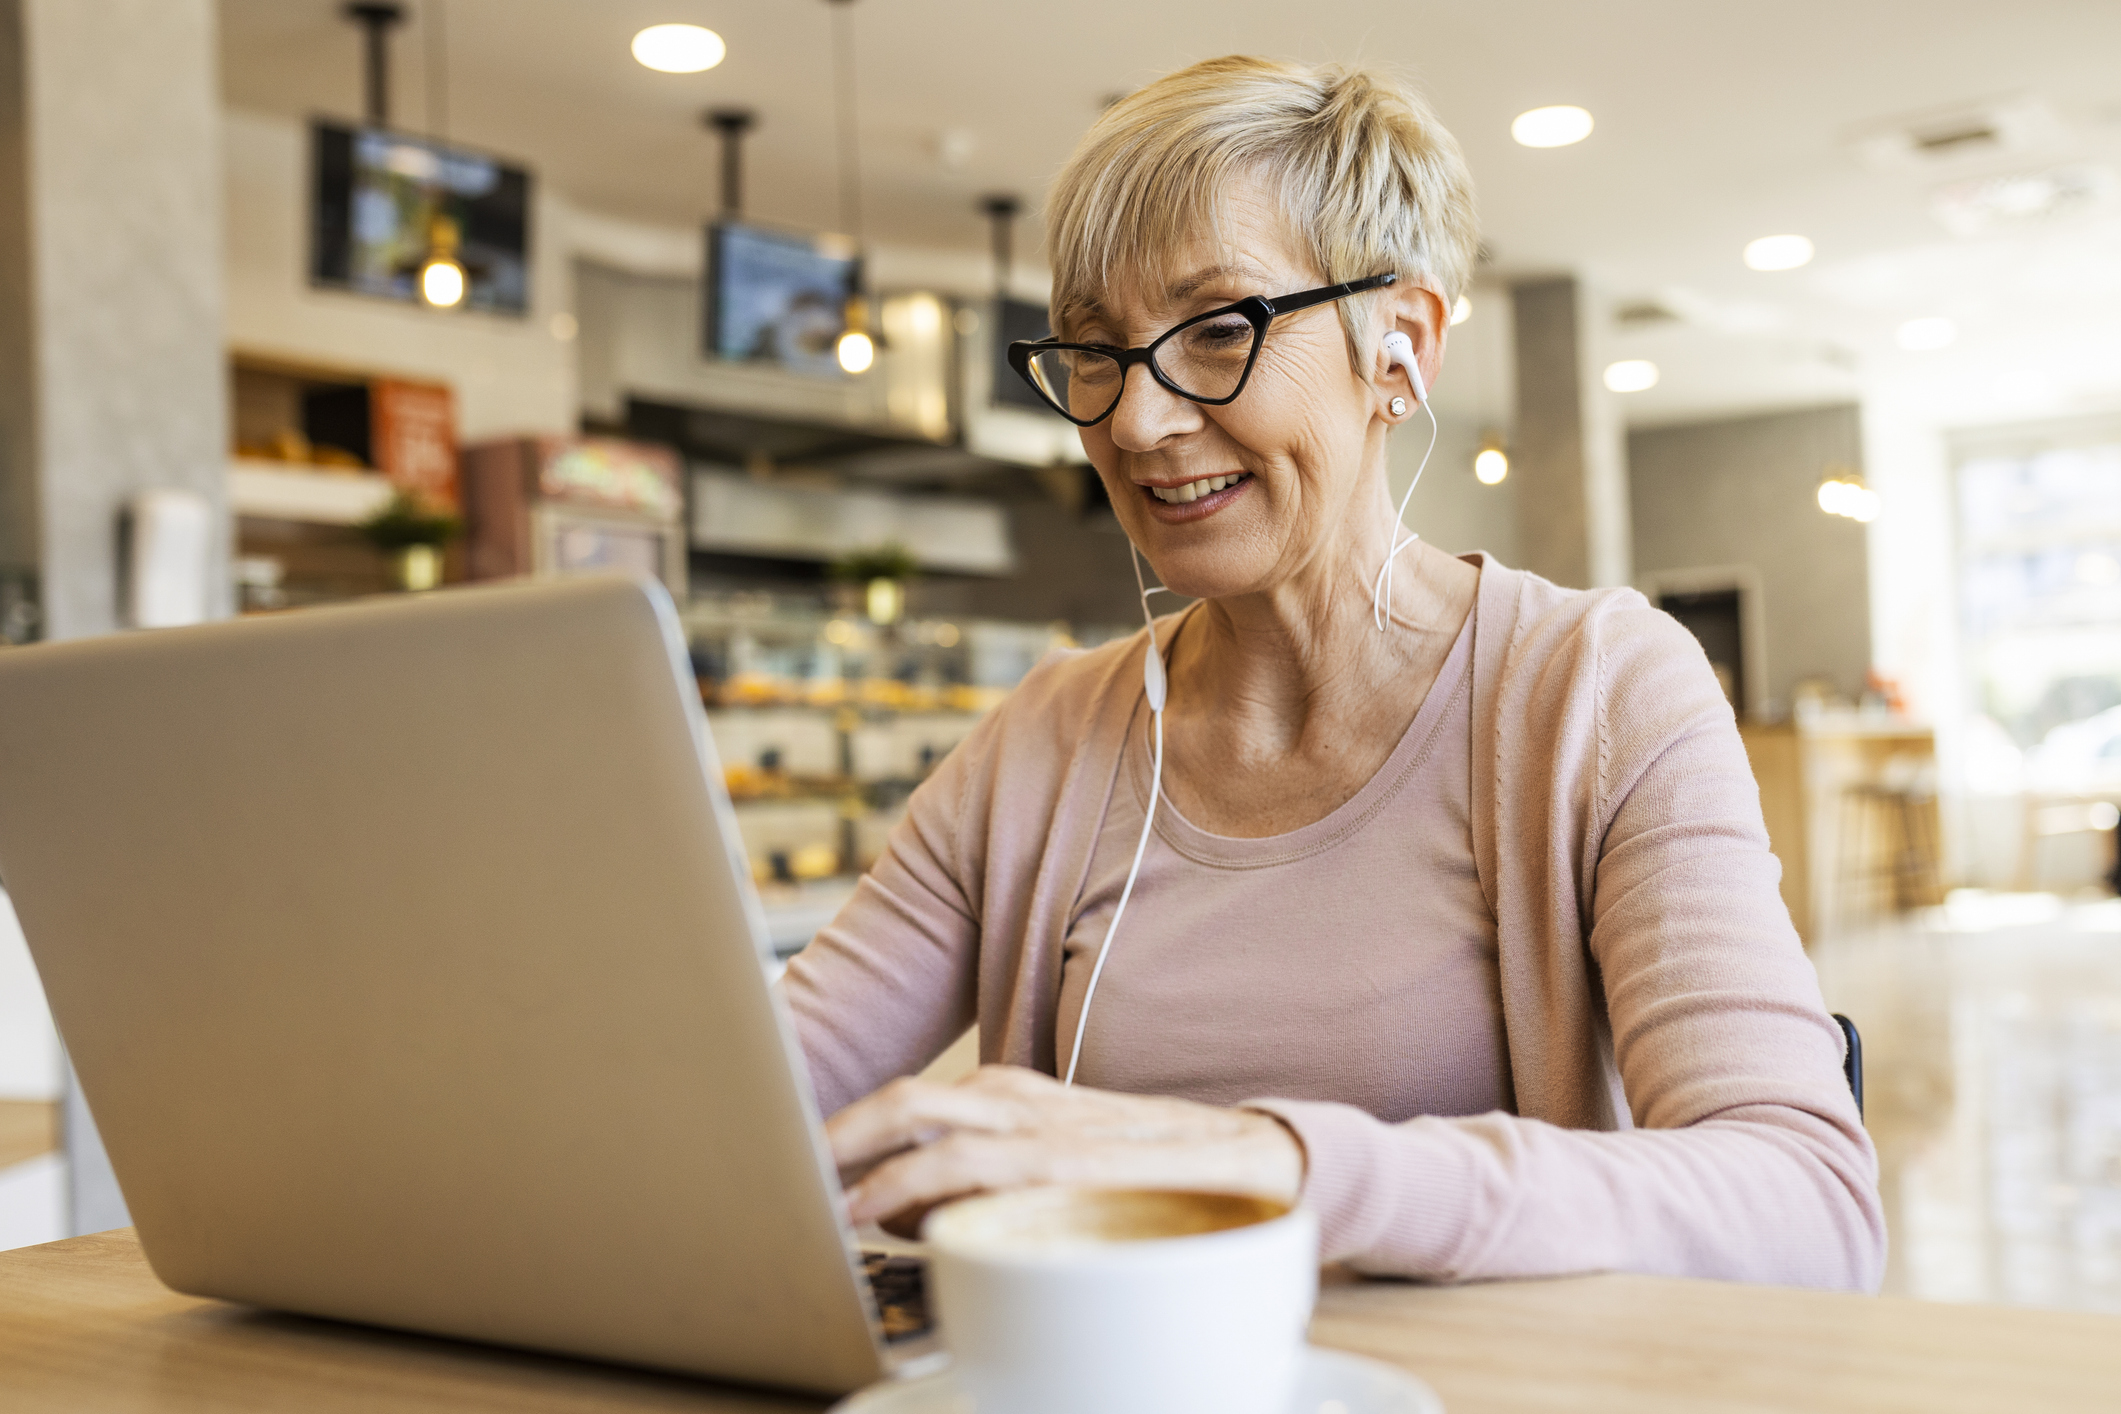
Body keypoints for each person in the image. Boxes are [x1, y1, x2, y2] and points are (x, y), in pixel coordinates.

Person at [783, 55, 1883, 1289]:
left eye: (1218, 330)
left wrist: (1266, 1163)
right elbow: (750, 1096)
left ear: (1400, 348)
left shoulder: (1601, 691)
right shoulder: (1041, 742)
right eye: (1095, 351)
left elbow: (1808, 1208)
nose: (1136, 422)